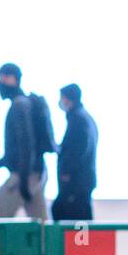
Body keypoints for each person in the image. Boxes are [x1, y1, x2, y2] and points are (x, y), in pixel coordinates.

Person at [0, 63, 50, 219]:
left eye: (2, 78)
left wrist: (23, 180)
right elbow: (16, 150)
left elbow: (26, 145)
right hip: (35, 173)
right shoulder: (24, 104)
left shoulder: (20, 106)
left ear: (12, 79)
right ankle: (48, 244)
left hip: (25, 175)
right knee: (41, 224)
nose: (0, 83)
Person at [51, 84, 98, 223]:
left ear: (67, 99)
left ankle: (80, 246)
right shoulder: (83, 117)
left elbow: (78, 150)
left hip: (76, 184)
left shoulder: (78, 119)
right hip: (81, 182)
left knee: (79, 228)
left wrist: (67, 171)